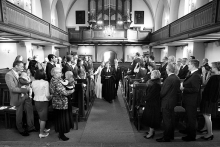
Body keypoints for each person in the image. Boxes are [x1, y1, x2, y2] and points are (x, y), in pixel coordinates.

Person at [5, 61, 36, 136]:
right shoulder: (9, 75)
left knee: (29, 110)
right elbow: (12, 89)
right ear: (16, 66)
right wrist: (26, 89)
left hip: (26, 95)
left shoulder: (20, 73)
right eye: (21, 66)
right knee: (19, 114)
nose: (23, 68)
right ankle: (20, 129)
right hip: (18, 97)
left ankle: (30, 127)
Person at [156, 63, 180, 142]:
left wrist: (159, 96)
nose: (166, 69)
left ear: (168, 69)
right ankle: (171, 135)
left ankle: (166, 137)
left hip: (166, 102)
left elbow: (163, 92)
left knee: (166, 120)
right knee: (171, 119)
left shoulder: (169, 79)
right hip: (173, 101)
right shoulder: (176, 78)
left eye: (166, 68)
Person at [50, 67, 75, 141]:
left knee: (61, 118)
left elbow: (65, 86)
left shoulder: (57, 79)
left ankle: (62, 132)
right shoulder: (56, 81)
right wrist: (73, 90)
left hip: (60, 102)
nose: (61, 74)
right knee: (61, 119)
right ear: (55, 73)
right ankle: (61, 134)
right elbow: (64, 92)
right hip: (59, 103)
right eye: (60, 72)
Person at [180, 59, 202, 141]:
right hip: (188, 100)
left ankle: (191, 136)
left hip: (192, 101)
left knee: (191, 118)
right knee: (188, 117)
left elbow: (195, 89)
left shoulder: (196, 75)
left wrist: (183, 89)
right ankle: (187, 130)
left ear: (193, 65)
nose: (188, 66)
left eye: (189, 64)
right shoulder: (193, 74)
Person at [199, 62, 220, 140]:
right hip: (213, 99)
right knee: (207, 115)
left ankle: (210, 133)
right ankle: (205, 128)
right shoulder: (216, 77)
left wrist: (204, 73)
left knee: (206, 115)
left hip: (209, 99)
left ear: (216, 68)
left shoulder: (214, 78)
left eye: (213, 67)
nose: (211, 68)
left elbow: (204, 84)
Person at [31, 69, 51, 138]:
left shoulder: (33, 82)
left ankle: (43, 129)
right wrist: (51, 97)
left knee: (40, 116)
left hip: (36, 100)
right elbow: (47, 95)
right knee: (43, 118)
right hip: (43, 101)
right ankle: (41, 133)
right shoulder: (45, 82)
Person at [142, 70, 161, 139]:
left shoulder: (156, 85)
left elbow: (151, 95)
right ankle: (151, 131)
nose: (151, 75)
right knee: (149, 118)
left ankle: (151, 133)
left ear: (155, 75)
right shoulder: (153, 83)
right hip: (150, 103)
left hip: (153, 104)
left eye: (152, 74)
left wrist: (144, 98)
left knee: (152, 118)